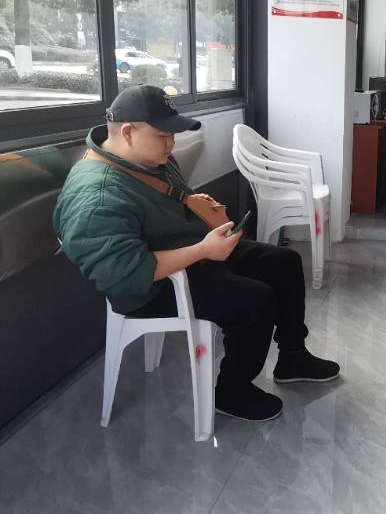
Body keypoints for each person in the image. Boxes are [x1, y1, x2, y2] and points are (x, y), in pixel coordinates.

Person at [53, 85, 339, 423]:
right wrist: (203, 249)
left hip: (191, 253)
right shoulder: (97, 196)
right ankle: (232, 390)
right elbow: (127, 273)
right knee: (255, 300)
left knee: (284, 262)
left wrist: (211, 240)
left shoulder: (150, 159)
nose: (171, 144)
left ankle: (292, 356)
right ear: (127, 132)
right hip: (150, 287)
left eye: (173, 135)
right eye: (163, 136)